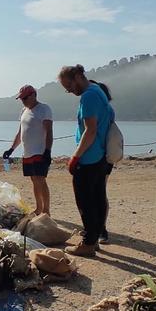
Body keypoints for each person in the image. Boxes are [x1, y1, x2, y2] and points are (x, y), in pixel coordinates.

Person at [58, 64, 113, 257]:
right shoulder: (99, 91)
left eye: (70, 86)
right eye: (67, 89)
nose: (70, 91)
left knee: (85, 200)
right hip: (101, 155)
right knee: (97, 197)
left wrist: (75, 156)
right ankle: (94, 238)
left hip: (89, 157)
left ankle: (89, 243)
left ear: (78, 77)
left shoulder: (89, 96)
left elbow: (90, 130)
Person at [3, 85, 53, 215]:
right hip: (27, 152)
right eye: (21, 98)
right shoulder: (24, 111)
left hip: (40, 151)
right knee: (34, 180)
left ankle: (46, 210)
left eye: (25, 98)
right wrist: (11, 149)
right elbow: (20, 133)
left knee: (41, 179)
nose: (23, 100)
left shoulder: (44, 109)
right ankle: (39, 208)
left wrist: (48, 151)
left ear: (33, 95)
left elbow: (49, 131)